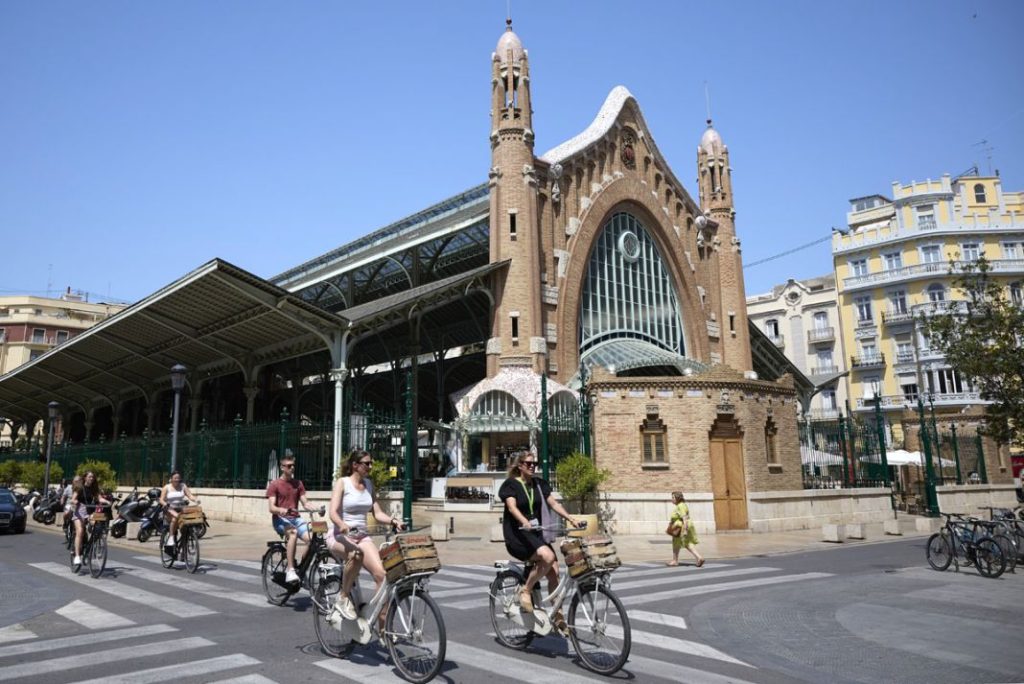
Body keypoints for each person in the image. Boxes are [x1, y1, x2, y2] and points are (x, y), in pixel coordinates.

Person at [499, 451, 579, 622]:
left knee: (554, 572)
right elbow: (512, 508)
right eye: (528, 463)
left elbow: (554, 503)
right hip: (518, 535)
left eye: (534, 463)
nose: (532, 466)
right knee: (548, 557)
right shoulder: (510, 485)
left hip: (536, 535)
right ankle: (526, 591)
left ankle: (558, 616)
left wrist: (571, 519)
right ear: (520, 466)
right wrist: (524, 521)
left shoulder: (539, 484)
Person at [326, 450, 405, 622]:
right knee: (356, 555)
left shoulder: (369, 484)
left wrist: (393, 521)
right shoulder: (343, 483)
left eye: (371, 463)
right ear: (355, 465)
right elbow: (332, 512)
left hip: (361, 537)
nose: (370, 466)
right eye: (366, 463)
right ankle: (343, 597)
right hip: (339, 535)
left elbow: (377, 513)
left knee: (382, 576)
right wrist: (342, 525)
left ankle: (382, 628)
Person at [266, 454, 313, 584]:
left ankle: (302, 569)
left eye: (293, 466)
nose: (292, 468)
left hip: (295, 518)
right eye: (288, 466)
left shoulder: (298, 484)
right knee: (293, 533)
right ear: (282, 467)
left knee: (312, 539)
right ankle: (290, 570)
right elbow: (271, 507)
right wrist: (280, 510)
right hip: (280, 520)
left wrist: (315, 509)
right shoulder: (275, 485)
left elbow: (305, 502)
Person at [69, 471, 110, 571]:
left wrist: (107, 501)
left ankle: (94, 544)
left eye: (93, 477)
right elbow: (73, 499)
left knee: (100, 522)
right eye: (89, 477)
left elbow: (99, 498)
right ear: (85, 478)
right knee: (80, 531)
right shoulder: (79, 487)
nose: (91, 478)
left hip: (91, 511)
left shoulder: (94, 489)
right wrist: (76, 502)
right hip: (80, 511)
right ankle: (78, 556)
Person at [160, 471, 200, 553]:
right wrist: (166, 504)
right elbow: (161, 500)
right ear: (171, 479)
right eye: (175, 478)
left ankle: (183, 552)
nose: (177, 480)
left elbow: (189, 495)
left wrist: (195, 499)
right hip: (169, 508)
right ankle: (171, 537)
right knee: (175, 518)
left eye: (178, 478)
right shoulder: (166, 487)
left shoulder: (183, 486)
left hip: (180, 508)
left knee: (185, 527)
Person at [667, 491, 704, 567]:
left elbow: (684, 518)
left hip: (680, 526)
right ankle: (698, 557)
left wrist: (685, 529)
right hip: (680, 526)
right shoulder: (681, 505)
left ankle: (675, 561)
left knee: (680, 543)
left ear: (678, 498)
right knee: (683, 543)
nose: (672, 499)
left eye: (673, 497)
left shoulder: (681, 506)